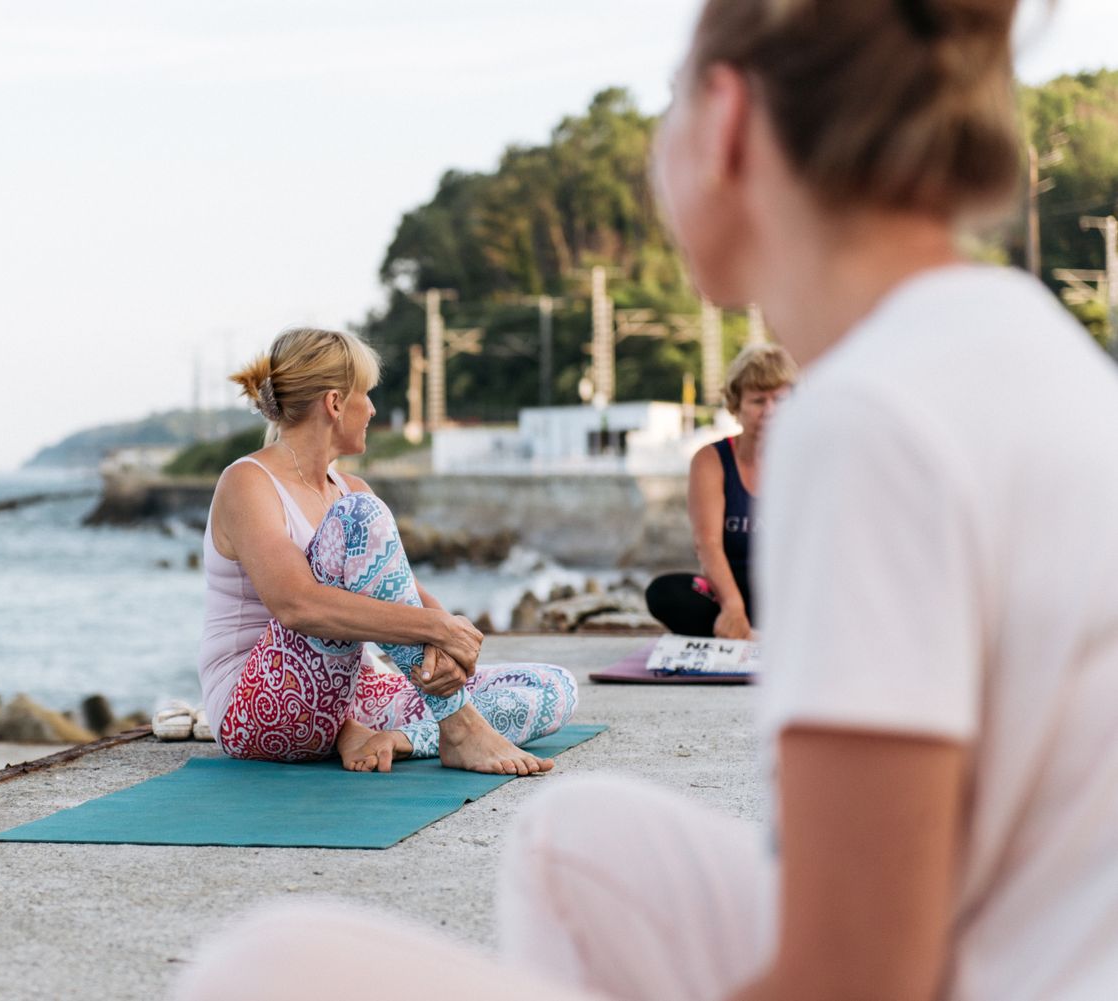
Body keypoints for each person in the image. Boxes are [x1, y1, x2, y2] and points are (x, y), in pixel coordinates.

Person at [176, 1, 1118, 999]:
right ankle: (448, 723)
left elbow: (859, 976)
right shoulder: (1018, 343)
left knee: (260, 965)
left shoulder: (870, 421)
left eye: (668, 106)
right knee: (575, 839)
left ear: (726, 122)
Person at [199, 326, 576, 776]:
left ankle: (396, 740)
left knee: (554, 687)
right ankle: (458, 728)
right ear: (335, 403)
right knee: (361, 514)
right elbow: (295, 605)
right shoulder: (248, 481)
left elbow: (405, 595)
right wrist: (436, 628)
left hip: (353, 693)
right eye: (367, 394)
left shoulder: (350, 488)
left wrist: (451, 652)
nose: (373, 409)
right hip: (257, 707)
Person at [645, 344, 795, 638]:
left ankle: (759, 632)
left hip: (788, 589)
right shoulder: (711, 460)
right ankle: (744, 628)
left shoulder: (806, 458)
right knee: (665, 592)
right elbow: (708, 544)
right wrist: (732, 605)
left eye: (779, 400)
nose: (769, 412)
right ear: (736, 406)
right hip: (731, 588)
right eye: (758, 401)